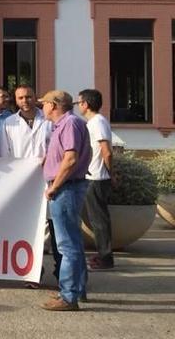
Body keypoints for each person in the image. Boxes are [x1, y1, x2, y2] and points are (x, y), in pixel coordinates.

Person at [39, 90, 91, 312]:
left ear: (53, 105)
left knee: (66, 245)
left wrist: (55, 186)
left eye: (44, 104)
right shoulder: (67, 124)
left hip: (66, 189)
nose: (42, 108)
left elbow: (70, 158)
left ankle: (68, 296)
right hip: (70, 187)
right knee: (73, 242)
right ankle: (76, 289)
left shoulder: (69, 123)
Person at [0, 85, 52, 289]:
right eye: (20, 98)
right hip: (21, 182)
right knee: (25, 227)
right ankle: (27, 271)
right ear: (15, 100)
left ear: (35, 97)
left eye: (28, 96)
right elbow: (5, 155)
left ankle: (42, 271)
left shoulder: (48, 120)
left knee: (45, 228)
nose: (25, 101)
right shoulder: (9, 123)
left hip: (46, 178)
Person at [77, 88, 115, 271]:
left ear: (86, 104)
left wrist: (111, 173)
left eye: (79, 102)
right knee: (95, 219)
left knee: (99, 219)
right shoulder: (93, 122)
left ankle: (106, 258)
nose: (78, 106)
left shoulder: (98, 122)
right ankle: (102, 254)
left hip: (97, 177)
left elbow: (106, 151)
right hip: (92, 176)